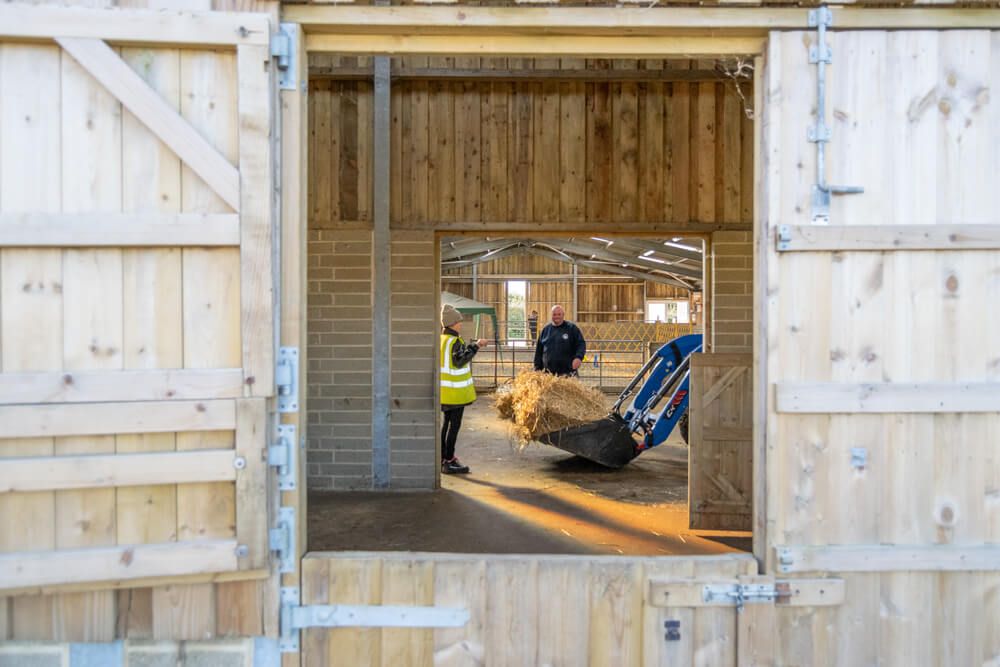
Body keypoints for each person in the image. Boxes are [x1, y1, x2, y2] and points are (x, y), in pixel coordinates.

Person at [439, 304, 488, 474]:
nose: (461, 323)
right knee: (454, 426)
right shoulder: (455, 341)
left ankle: (443, 458)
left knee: (446, 425)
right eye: (459, 320)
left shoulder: (442, 340)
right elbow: (460, 361)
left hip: (444, 392)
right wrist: (476, 346)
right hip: (455, 393)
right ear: (452, 323)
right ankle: (449, 460)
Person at [533, 305, 586, 377]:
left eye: (559, 314)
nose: (557, 316)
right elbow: (539, 352)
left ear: (563, 315)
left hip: (568, 374)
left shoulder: (571, 328)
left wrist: (578, 357)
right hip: (548, 376)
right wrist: (537, 368)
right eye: (554, 314)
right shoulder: (545, 330)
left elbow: (581, 344)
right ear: (551, 316)